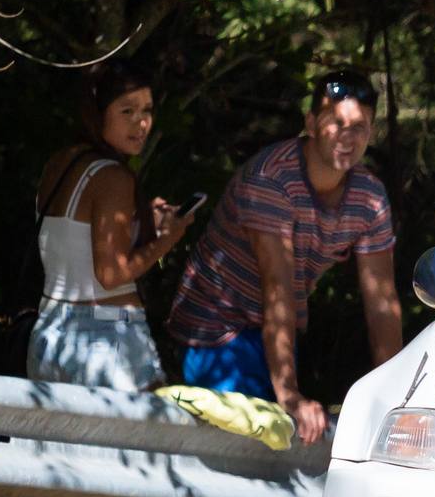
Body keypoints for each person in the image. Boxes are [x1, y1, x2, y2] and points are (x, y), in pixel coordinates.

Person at [167, 69, 402, 444]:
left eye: (360, 126)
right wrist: (290, 396)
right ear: (310, 123)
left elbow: (382, 305)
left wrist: (398, 398)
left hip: (274, 332)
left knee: (281, 449)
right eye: (335, 123)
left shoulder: (369, 197)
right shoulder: (272, 180)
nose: (348, 136)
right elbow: (277, 286)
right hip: (217, 330)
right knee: (244, 454)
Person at [28, 61, 196, 497]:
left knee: (71, 483)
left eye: (147, 110)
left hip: (52, 331)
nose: (141, 122)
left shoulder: (62, 166)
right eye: (127, 111)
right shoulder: (114, 178)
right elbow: (110, 272)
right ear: (98, 114)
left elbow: (78, 245)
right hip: (109, 339)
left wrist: (145, 222)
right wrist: (167, 239)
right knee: (154, 471)